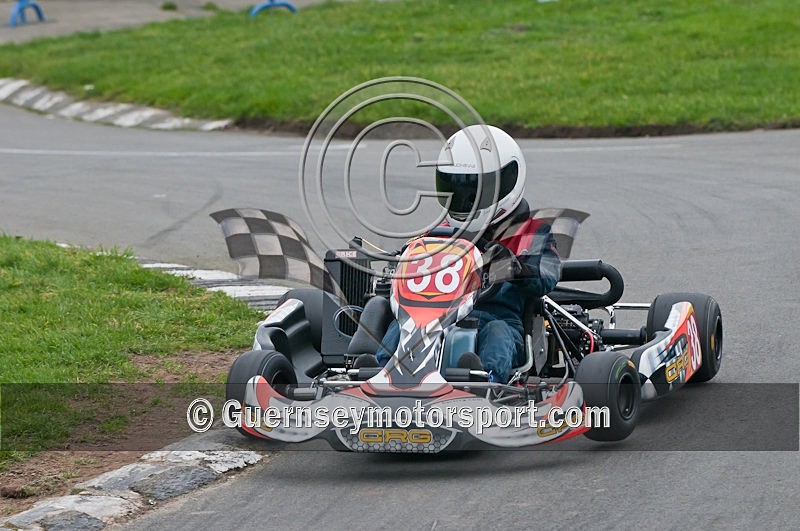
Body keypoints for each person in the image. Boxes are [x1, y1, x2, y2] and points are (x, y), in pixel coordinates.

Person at [365, 125, 561, 383]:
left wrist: (515, 267)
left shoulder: (531, 233)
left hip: (496, 316)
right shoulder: (440, 234)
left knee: (498, 335)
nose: (466, 199)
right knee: (399, 328)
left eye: (476, 191)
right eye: (457, 190)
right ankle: (379, 375)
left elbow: (547, 276)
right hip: (432, 318)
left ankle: (485, 380)